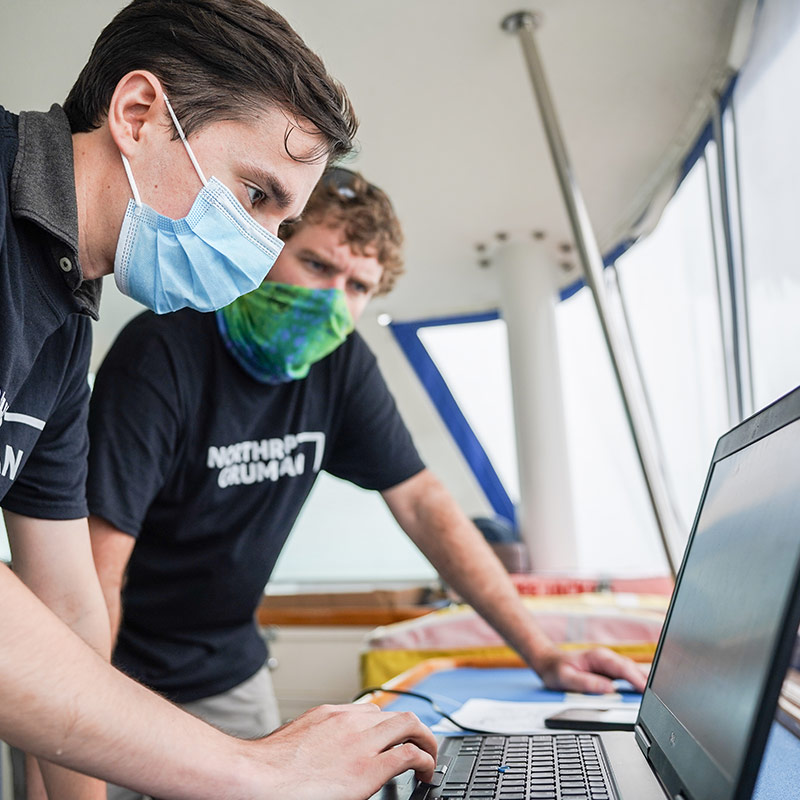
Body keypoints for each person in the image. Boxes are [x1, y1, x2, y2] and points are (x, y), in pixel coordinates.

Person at [87, 168, 648, 798]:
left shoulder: (342, 364)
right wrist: (81, 719)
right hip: (115, 672)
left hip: (230, 672)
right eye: (318, 265)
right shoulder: (161, 355)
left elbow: (423, 504)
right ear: (264, 245)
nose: (334, 300)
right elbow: (93, 571)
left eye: (358, 285)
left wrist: (542, 652)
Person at [1, 1, 437, 799]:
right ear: (138, 114)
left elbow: (67, 609)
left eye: (282, 221)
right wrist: (251, 769)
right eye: (256, 194)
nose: (260, 245)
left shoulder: (63, 324)